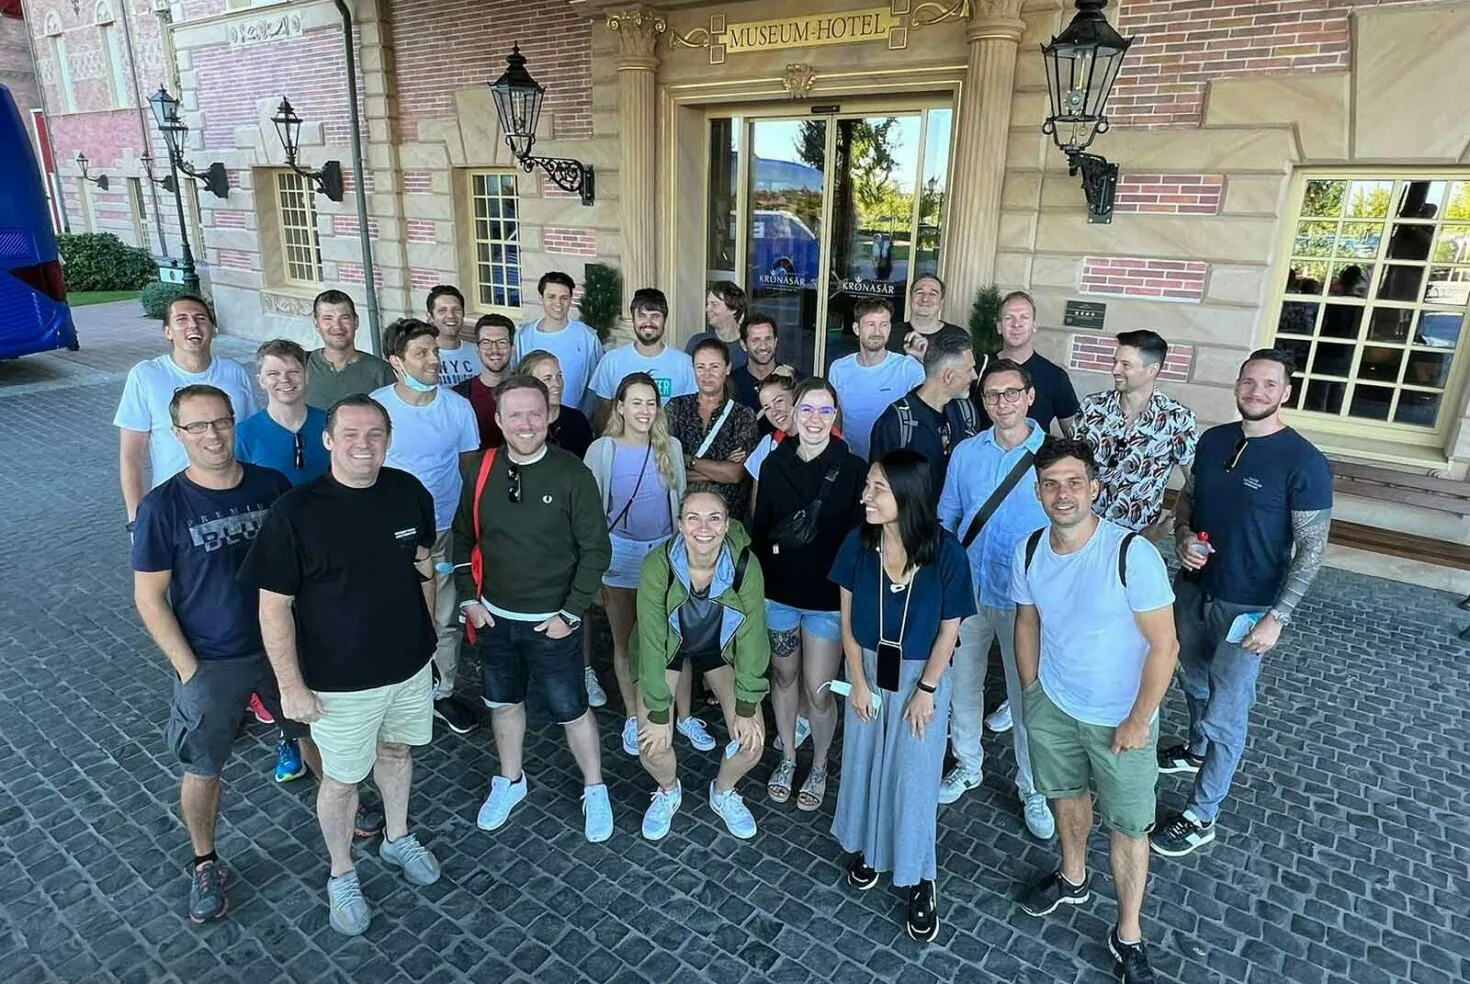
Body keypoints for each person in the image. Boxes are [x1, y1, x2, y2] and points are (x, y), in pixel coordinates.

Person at [241, 394, 443, 937]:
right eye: (350, 433)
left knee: (397, 752)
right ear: (328, 440)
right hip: (337, 682)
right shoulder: (295, 513)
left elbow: (423, 563)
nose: (363, 444)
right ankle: (341, 872)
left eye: (375, 433)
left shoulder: (408, 492)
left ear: (389, 440)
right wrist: (291, 686)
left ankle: (398, 837)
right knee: (342, 779)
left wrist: (428, 639)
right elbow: (272, 606)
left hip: (407, 667)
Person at [1151, 349, 1331, 858]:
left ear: (1286, 393)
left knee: (1227, 711)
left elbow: (1312, 549)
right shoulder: (1214, 441)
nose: (1256, 391)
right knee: (1191, 679)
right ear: (1237, 385)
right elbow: (1188, 499)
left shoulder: (1305, 463)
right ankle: (1195, 749)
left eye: (1269, 384)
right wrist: (1182, 536)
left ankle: (1201, 813)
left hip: (1247, 608)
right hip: (1193, 589)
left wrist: (1278, 618)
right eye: (1249, 381)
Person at [131, 384, 300, 923]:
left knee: (312, 732)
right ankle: (204, 860)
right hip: (211, 660)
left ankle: (347, 805)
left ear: (234, 423)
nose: (212, 435)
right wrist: (188, 668)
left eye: (221, 422)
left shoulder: (272, 486)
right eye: (198, 426)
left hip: (282, 647)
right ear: (177, 434)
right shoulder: (162, 506)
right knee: (203, 768)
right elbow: (149, 598)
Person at [1012, 438, 1177, 984]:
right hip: (1055, 705)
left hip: (1121, 718)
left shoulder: (1132, 555)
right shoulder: (1029, 550)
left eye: (1074, 483)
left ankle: (1128, 932)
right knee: (1065, 795)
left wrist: (1138, 720)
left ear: (1095, 489)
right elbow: (1028, 622)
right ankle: (1073, 875)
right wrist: (1032, 692)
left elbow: (1165, 647)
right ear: (1038, 493)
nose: (1063, 494)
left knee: (1128, 826)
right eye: (1051, 485)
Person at [452, 376, 615, 843]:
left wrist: (570, 615)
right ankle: (511, 780)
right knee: (504, 703)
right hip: (494, 619)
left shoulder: (572, 474)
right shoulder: (481, 469)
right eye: (515, 414)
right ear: (499, 420)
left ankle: (595, 786)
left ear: (549, 417)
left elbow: (596, 551)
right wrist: (469, 600)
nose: (526, 423)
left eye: (535, 413)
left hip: (552, 624)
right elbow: (463, 538)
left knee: (572, 709)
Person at [829, 449, 975, 943]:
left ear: (907, 496)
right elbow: (847, 621)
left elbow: (950, 630)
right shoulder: (859, 543)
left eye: (877, 488)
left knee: (914, 777)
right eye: (868, 486)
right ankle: (873, 850)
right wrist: (857, 680)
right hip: (869, 669)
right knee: (866, 764)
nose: (865, 496)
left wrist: (928, 689)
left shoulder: (947, 553)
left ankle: (920, 877)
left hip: (920, 677)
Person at [936, 359, 1053, 840]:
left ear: (1029, 397)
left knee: (1027, 697)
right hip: (968, 590)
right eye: (992, 395)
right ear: (982, 401)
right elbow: (947, 518)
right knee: (962, 683)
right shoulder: (966, 453)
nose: (1002, 403)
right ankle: (968, 762)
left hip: (1026, 600)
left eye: (1011, 393)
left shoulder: (1051, 457)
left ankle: (1033, 787)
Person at [751, 378, 866, 812]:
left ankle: (818, 764)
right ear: (794, 414)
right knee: (783, 679)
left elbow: (859, 542)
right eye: (807, 409)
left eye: (824, 410)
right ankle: (787, 755)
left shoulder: (853, 469)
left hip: (826, 602)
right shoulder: (774, 464)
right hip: (779, 594)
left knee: (818, 690)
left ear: (835, 416)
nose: (815, 419)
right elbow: (761, 529)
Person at [633, 491, 770, 840]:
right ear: (680, 525)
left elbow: (753, 639)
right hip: (668, 648)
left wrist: (746, 707)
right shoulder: (657, 566)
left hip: (718, 648)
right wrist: (659, 715)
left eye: (714, 518)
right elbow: (651, 644)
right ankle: (668, 790)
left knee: (752, 742)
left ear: (726, 525)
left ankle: (723, 791)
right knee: (652, 745)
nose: (703, 527)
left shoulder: (745, 565)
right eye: (693, 518)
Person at [370, 319, 481, 736]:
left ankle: (441, 692)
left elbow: (467, 471)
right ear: (396, 361)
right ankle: (392, 691)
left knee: (445, 617)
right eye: (421, 353)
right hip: (387, 537)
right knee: (388, 614)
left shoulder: (458, 408)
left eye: (435, 351)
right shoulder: (376, 409)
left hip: (443, 532)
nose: (434, 359)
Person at [584, 373, 702, 757]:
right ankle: (634, 717)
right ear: (620, 406)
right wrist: (593, 568)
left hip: (664, 552)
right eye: (636, 402)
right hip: (620, 552)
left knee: (674, 639)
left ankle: (682, 716)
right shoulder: (602, 450)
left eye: (651, 403)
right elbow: (589, 514)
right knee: (625, 639)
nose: (645, 410)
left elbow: (680, 503)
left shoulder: (671, 447)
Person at [116, 295, 258, 526]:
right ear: (168, 332)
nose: (193, 325)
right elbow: (131, 456)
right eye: (181, 319)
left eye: (201, 318)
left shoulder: (234, 372)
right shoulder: (146, 376)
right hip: (175, 506)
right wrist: (136, 521)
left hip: (236, 500)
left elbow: (250, 438)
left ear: (213, 329)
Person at [1075, 330, 1197, 537]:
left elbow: (1194, 481)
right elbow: (1070, 462)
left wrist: (1166, 525)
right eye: (1115, 362)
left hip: (1136, 538)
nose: (1115, 370)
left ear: (1152, 370)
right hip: (1082, 529)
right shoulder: (1092, 407)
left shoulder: (1177, 418)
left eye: (1125, 365)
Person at [869, 330, 980, 501]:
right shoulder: (895, 423)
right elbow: (880, 491)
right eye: (970, 369)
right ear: (949, 376)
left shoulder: (967, 413)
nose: (974, 376)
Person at [665, 338, 760, 520]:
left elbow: (735, 473)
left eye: (714, 367)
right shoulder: (676, 408)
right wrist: (719, 468)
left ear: (727, 368)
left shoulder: (742, 415)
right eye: (700, 367)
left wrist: (686, 460)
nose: (707, 374)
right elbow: (665, 469)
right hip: (681, 515)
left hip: (727, 517)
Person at [828, 299, 925, 460]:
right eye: (871, 324)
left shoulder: (908, 368)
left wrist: (924, 359)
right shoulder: (839, 368)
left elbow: (929, 408)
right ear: (856, 329)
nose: (878, 332)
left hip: (892, 465)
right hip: (850, 462)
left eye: (884, 324)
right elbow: (836, 415)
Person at [236, 339, 330, 487]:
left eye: (293, 372)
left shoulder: (331, 424)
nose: (285, 379)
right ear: (261, 381)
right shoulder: (243, 435)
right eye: (273, 374)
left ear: (306, 376)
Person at [987, 291, 1078, 437]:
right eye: (1009, 318)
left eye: (1024, 318)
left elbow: (1075, 435)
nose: (1016, 324)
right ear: (999, 327)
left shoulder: (1055, 377)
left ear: (1034, 325)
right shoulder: (980, 368)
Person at [590, 287, 698, 409]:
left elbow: (691, 411)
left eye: (655, 316)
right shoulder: (610, 361)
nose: (648, 322)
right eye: (642, 316)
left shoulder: (685, 365)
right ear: (633, 319)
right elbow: (603, 412)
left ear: (664, 320)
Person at [514, 271, 604, 412]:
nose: (558, 303)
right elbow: (517, 379)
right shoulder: (523, 336)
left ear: (571, 299)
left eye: (564, 298)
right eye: (551, 297)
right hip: (534, 417)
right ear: (541, 298)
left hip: (575, 418)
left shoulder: (588, 337)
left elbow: (596, 384)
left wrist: (585, 418)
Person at [305, 290, 396, 411]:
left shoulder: (380, 372)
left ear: (356, 322)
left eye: (344, 318)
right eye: (328, 319)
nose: (337, 326)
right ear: (317, 325)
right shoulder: (303, 365)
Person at [452, 314, 516, 449]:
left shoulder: (530, 391)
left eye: (502, 342)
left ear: (513, 348)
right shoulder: (459, 395)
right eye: (486, 343)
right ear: (477, 349)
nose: (494, 350)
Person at [520, 349, 595, 459]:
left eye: (559, 376)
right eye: (547, 379)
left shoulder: (577, 421)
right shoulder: (518, 424)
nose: (557, 384)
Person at [730, 313, 803, 425]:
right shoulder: (731, 383)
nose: (763, 346)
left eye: (768, 339)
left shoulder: (796, 379)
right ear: (744, 345)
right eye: (756, 340)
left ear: (775, 342)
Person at [889, 274, 970, 362]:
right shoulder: (890, 333)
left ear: (941, 302)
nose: (925, 299)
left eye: (933, 294)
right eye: (919, 292)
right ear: (910, 298)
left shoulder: (958, 337)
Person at [745, 371, 796, 500]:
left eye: (778, 401)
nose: (774, 412)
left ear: (796, 398)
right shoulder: (767, 445)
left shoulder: (823, 440)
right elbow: (757, 501)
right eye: (767, 408)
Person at [685, 280, 749, 371]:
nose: (707, 309)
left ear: (733, 309)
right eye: (708, 304)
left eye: (714, 305)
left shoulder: (749, 344)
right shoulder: (697, 342)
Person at [426, 285, 481, 386]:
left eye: (456, 310)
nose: (451, 315)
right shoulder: (421, 357)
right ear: (430, 317)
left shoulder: (480, 353)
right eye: (442, 310)